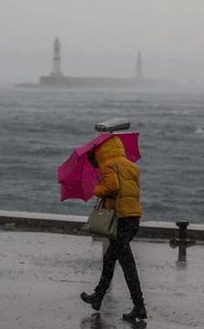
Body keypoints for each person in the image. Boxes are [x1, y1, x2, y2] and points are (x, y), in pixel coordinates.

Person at [80, 135, 147, 322]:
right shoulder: (131, 166)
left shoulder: (108, 165)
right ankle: (98, 297)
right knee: (111, 258)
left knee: (127, 264)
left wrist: (97, 189)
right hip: (133, 218)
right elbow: (130, 191)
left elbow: (112, 187)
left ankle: (139, 306)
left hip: (120, 220)